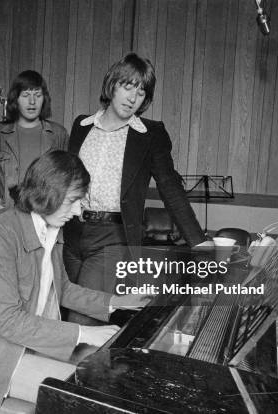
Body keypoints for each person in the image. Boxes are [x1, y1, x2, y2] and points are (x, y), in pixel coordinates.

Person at [0, 150, 148, 406]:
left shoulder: (52, 229)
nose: (78, 211)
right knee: (90, 397)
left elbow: (62, 289)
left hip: (31, 346)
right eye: (73, 201)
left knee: (112, 372)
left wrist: (117, 301)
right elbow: (9, 322)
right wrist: (83, 333)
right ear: (47, 194)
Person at [64, 53, 207, 325]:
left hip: (113, 238)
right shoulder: (81, 126)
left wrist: (199, 243)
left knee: (82, 319)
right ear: (112, 85)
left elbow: (170, 188)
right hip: (72, 235)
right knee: (66, 309)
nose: (133, 98)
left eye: (141, 92)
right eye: (128, 86)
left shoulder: (150, 134)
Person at [0, 70, 68, 215]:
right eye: (26, 95)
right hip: (8, 217)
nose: (32, 102)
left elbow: (66, 179)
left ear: (44, 99)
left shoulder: (58, 134)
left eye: (37, 96)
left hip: (45, 219)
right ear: (15, 99)